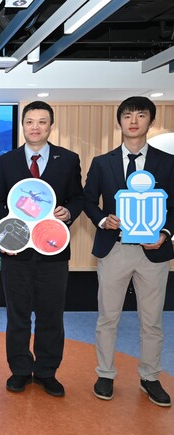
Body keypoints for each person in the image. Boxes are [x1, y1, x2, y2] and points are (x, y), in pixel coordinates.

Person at [84, 96, 174, 407]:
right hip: (114, 249)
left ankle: (150, 377)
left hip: (153, 252)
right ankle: (105, 373)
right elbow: (86, 201)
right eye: (127, 115)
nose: (133, 121)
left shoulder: (168, 162)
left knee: (152, 320)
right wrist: (101, 219)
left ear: (151, 121)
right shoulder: (102, 162)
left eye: (141, 115)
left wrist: (164, 232)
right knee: (108, 317)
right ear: (119, 121)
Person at [0, 101, 84, 397]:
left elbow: (78, 198)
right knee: (17, 315)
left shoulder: (68, 159)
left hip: (53, 250)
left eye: (42, 122)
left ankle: (46, 371)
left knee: (51, 315)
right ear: (23, 126)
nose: (35, 127)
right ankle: (19, 370)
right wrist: (7, 238)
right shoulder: (7, 161)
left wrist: (68, 213)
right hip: (16, 254)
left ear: (50, 126)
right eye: (29, 121)